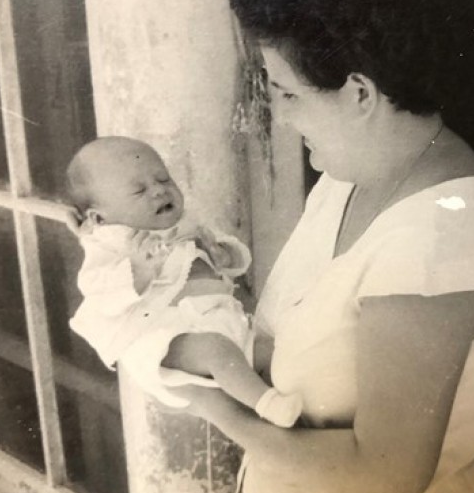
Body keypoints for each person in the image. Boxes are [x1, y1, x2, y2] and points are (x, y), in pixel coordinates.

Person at [168, 0, 474, 493]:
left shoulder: (435, 246)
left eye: (286, 93)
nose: (279, 116)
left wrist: (209, 405)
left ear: (360, 93)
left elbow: (381, 482)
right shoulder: (348, 178)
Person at [65, 136, 302, 428]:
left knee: (275, 350)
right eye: (139, 191)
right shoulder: (109, 244)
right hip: (166, 338)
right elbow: (97, 290)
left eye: (163, 179)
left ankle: (300, 409)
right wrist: (138, 272)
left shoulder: (186, 223)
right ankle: (267, 405)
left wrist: (223, 253)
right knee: (218, 352)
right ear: (100, 217)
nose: (159, 191)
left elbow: (233, 259)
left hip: (221, 322)